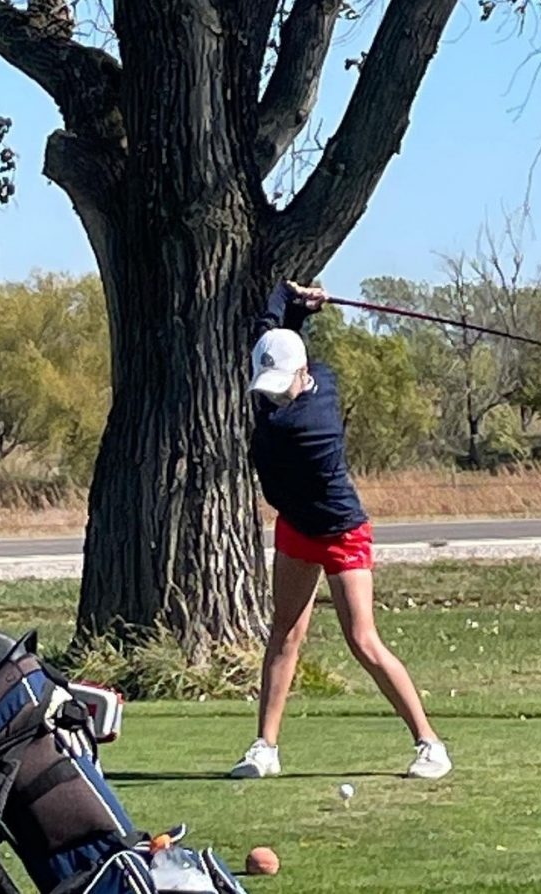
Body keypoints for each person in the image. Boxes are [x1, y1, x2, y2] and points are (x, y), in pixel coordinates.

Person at [229, 280, 452, 781]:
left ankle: (430, 744)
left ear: (303, 375)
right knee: (284, 633)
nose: (270, 399)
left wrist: (296, 313)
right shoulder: (307, 379)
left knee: (362, 639)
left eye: (279, 386)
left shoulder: (308, 424)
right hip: (296, 527)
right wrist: (295, 300)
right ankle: (265, 746)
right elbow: (270, 327)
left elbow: (279, 345)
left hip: (340, 530)